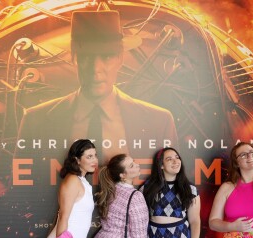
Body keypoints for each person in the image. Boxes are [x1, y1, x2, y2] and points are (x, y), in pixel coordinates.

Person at [16, 10, 178, 163]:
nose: (96, 69)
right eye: (87, 57)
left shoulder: (159, 122)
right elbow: (24, 189)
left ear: (120, 58)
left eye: (107, 57)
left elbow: (170, 188)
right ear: (74, 58)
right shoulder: (35, 121)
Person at [35, 139, 98, 238]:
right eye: (89, 156)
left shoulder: (82, 181)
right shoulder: (72, 181)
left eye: (95, 155)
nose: (95, 160)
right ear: (77, 160)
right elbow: (63, 216)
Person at [141, 147, 201, 238]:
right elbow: (139, 220)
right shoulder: (147, 187)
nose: (175, 161)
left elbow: (195, 221)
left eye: (177, 157)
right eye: (169, 159)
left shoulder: (190, 189)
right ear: (161, 165)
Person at [89, 154, 149, 238]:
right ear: (122, 175)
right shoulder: (135, 196)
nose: (137, 165)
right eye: (132, 165)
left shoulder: (110, 191)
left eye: (134, 161)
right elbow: (139, 236)